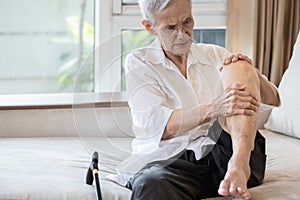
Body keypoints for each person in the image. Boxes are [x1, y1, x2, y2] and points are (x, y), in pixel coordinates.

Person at [112, 0, 280, 199]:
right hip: (173, 164)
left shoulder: (214, 53)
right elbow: (158, 126)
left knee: (239, 67)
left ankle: (240, 164)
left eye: (187, 21)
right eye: (171, 27)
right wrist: (217, 106)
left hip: (227, 155)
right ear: (150, 27)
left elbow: (273, 99)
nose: (182, 34)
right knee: (151, 183)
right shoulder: (140, 62)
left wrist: (251, 74)